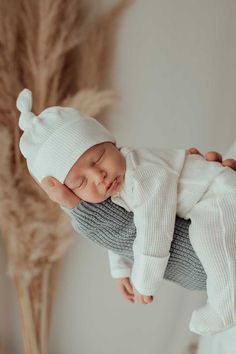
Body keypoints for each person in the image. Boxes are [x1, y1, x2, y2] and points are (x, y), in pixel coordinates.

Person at [17, 88, 236, 335]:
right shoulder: (119, 188)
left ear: (111, 143)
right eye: (80, 182)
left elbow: (153, 229)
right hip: (207, 200)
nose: (98, 176)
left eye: (98, 158)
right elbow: (128, 219)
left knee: (211, 241)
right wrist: (121, 269)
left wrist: (144, 282)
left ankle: (226, 305)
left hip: (219, 194)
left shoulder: (141, 174)